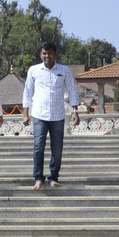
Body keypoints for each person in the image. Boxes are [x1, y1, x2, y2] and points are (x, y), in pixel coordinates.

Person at [22, 42, 80, 189]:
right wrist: (25, 113)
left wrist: (75, 111)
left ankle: (53, 177)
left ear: (55, 54)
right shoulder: (34, 70)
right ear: (41, 55)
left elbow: (72, 90)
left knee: (57, 149)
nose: (47, 56)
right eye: (44, 53)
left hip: (58, 115)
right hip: (39, 114)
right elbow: (27, 92)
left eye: (50, 53)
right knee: (38, 146)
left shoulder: (64, 70)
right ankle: (38, 178)